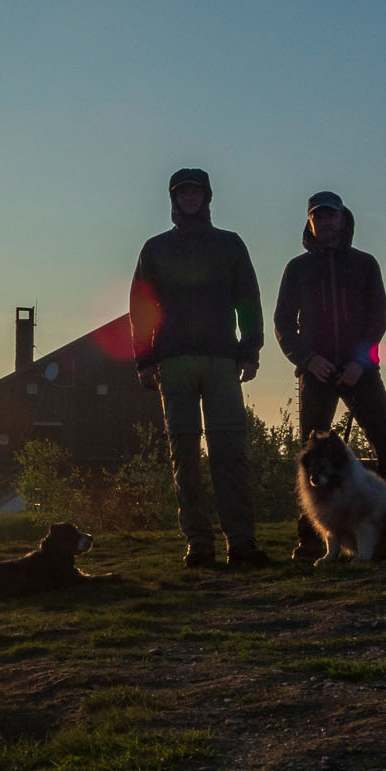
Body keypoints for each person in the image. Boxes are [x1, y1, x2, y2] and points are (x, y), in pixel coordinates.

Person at [129, 168, 271, 569]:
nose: (190, 199)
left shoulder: (230, 244)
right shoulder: (155, 249)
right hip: (173, 361)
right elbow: (141, 308)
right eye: (183, 193)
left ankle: (241, 542)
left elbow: (248, 296)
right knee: (184, 454)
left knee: (230, 451)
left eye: (196, 193)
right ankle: (198, 544)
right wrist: (144, 358)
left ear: (208, 198)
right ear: (173, 200)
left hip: (222, 358)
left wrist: (250, 349)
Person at [273, 190, 386, 561]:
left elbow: (378, 320)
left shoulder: (365, 265)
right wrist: (308, 360)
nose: (324, 222)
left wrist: (360, 363)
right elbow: (284, 325)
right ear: (310, 223)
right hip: (315, 374)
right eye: (317, 217)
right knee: (311, 460)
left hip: (361, 372)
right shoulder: (297, 269)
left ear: (343, 219)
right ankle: (309, 541)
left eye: (330, 216)